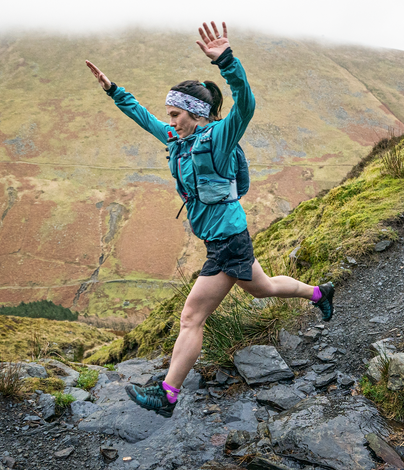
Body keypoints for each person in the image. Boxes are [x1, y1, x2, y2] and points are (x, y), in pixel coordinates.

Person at [85, 22, 335, 419]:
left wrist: (227, 61)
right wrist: (114, 91)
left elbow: (246, 104)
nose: (170, 121)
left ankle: (168, 394)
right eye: (169, 115)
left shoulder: (218, 139)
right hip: (223, 238)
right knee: (263, 287)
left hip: (228, 240)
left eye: (175, 114)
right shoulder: (177, 141)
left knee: (191, 317)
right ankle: (320, 293)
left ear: (196, 114)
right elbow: (143, 118)